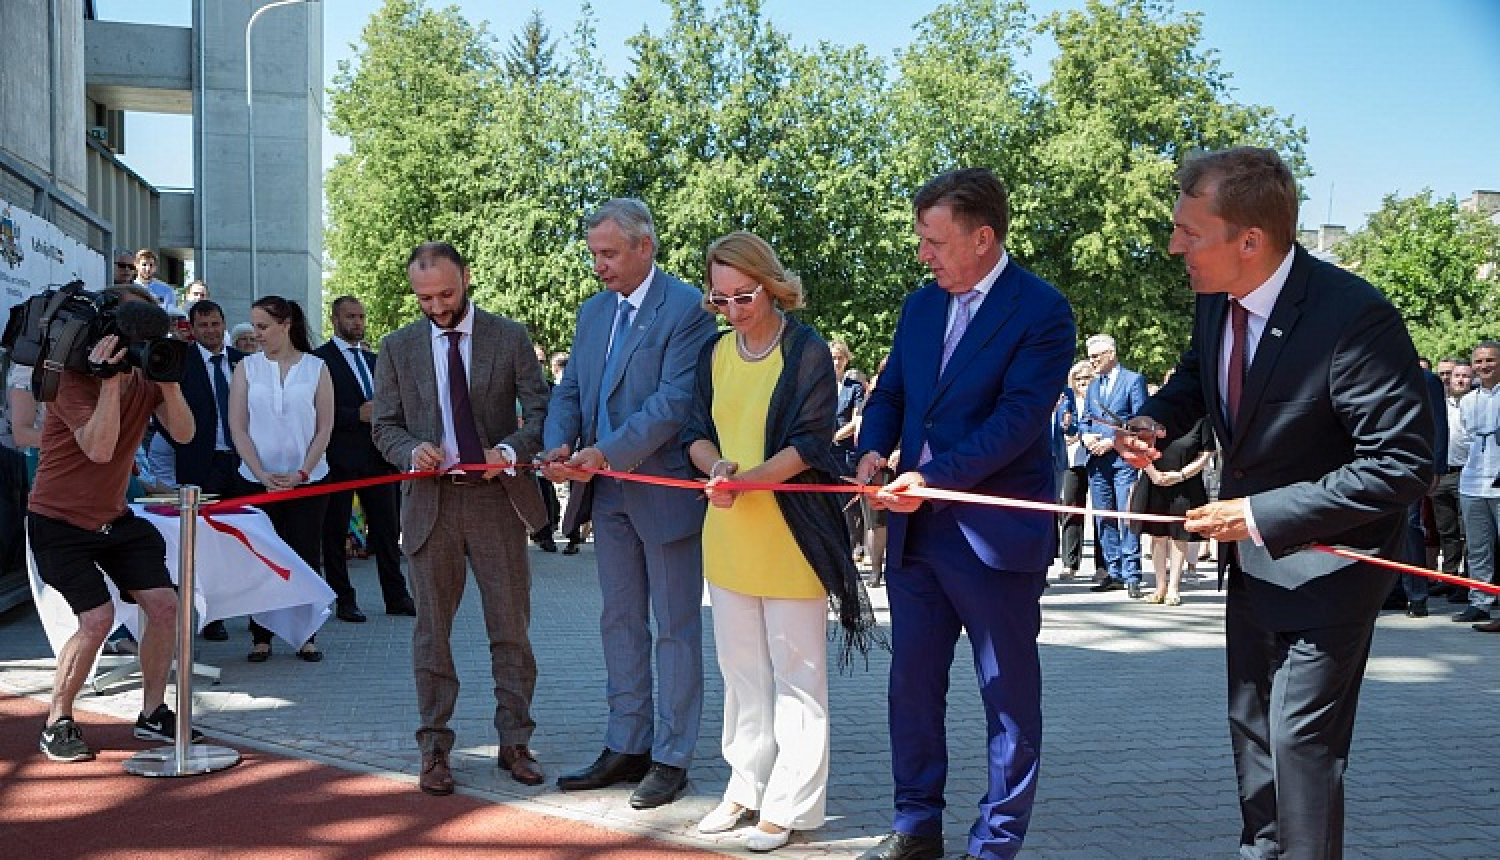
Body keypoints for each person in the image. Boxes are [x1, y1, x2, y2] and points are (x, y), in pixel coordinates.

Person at [1114, 146, 1432, 860]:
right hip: (1253, 568)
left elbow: (1403, 464)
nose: (1174, 246)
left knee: (1299, 743)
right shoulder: (1214, 298)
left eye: (1189, 232)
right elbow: (1197, 378)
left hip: (1331, 565)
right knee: (1253, 735)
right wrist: (1154, 422)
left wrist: (1257, 514)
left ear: (1250, 241)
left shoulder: (1354, 318)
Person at [855, 167, 1076, 860]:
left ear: (983, 238)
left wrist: (933, 477)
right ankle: (916, 825)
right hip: (916, 534)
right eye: (921, 239)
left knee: (1007, 698)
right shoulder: (920, 307)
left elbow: (1018, 420)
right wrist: (871, 450)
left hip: (992, 536)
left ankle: (995, 842)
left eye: (936, 241)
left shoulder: (1042, 310)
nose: (924, 254)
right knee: (912, 688)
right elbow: (891, 392)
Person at [682, 231, 878, 853]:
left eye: (743, 296)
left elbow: (812, 443)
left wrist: (750, 480)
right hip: (729, 533)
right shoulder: (714, 352)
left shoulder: (807, 350)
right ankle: (745, 787)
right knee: (741, 673)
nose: (733, 310)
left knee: (798, 676)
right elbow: (695, 432)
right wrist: (716, 468)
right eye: (720, 299)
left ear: (771, 287)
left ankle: (790, 806)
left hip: (791, 535)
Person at [542, 198, 717, 809]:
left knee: (675, 629)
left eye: (610, 253)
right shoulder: (594, 311)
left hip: (662, 492)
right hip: (606, 493)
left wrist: (605, 452)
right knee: (618, 622)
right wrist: (559, 443)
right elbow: (570, 390)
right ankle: (627, 744)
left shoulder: (688, 309)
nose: (599, 266)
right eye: (594, 254)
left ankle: (673, 757)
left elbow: (672, 403)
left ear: (646, 246)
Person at [372, 241, 551, 796]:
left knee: (511, 630)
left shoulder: (509, 336)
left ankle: (515, 742)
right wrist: (410, 450)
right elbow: (384, 426)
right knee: (432, 634)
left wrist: (509, 449)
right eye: (424, 298)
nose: (437, 307)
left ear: (467, 278)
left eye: (446, 294)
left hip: (496, 502)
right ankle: (434, 748)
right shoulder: (397, 347)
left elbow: (541, 413)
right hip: (431, 505)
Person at [29, 285, 200, 762]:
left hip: (114, 518)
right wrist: (109, 382)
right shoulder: (68, 379)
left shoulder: (147, 379)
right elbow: (100, 450)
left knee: (165, 607)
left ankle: (152, 713)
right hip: (58, 521)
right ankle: (57, 721)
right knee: (97, 619)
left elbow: (185, 433)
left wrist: (168, 380)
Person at [228, 295, 334, 663]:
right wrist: (260, 473)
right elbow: (238, 427)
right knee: (261, 557)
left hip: (309, 480)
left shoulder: (317, 368)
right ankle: (261, 636)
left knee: (304, 555)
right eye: (254, 326)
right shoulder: (246, 368)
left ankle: (306, 635)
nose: (256, 334)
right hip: (256, 479)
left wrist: (303, 471)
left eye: (263, 326)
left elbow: (325, 427)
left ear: (285, 325)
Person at [313, 296, 415, 622]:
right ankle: (344, 599)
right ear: (335, 320)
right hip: (338, 458)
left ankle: (396, 596)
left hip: (379, 459)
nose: (357, 322)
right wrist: (354, 415)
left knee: (387, 530)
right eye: (350, 317)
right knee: (335, 533)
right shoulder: (319, 361)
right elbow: (313, 411)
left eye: (361, 316)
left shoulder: (376, 360)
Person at [1079, 333, 1150, 597]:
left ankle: (1132, 574)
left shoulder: (1133, 381)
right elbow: (1086, 419)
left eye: (1096, 356)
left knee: (1126, 515)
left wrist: (1112, 440)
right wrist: (1086, 436)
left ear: (1111, 354)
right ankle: (1114, 571)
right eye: (1090, 357)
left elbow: (1140, 421)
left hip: (1123, 460)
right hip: (1097, 462)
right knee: (1103, 517)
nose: (1093, 362)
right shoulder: (1093, 387)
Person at [1134, 412, 1215, 605]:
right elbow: (1136, 446)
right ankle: (1160, 586)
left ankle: (1173, 588)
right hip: (1155, 480)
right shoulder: (1154, 415)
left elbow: (1206, 454)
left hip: (1186, 482)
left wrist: (1181, 475)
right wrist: (1154, 474)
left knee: (1180, 535)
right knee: (1158, 535)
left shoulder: (1201, 419)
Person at [1455, 341, 1500, 631]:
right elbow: (1464, 441)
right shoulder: (1468, 400)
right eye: (1479, 361)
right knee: (1477, 548)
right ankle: (1479, 601)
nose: (1484, 366)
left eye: (1490, 360)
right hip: (1472, 482)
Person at [1054, 360, 1093, 580]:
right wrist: (1069, 427)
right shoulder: (1067, 400)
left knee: (1102, 514)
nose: (1082, 383)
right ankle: (1070, 562)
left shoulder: (1100, 399)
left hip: (1095, 457)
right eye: (1078, 379)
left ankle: (1104, 566)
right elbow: (1064, 428)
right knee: (1070, 508)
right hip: (1072, 460)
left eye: (1086, 378)